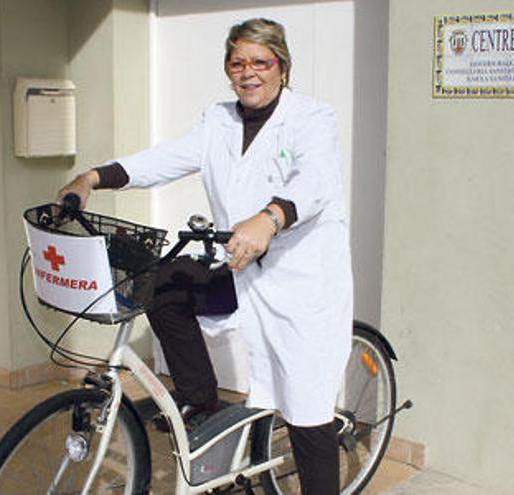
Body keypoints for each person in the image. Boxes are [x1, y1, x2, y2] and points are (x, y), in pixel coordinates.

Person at [57, 18, 352, 494]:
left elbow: (313, 182)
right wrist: (93, 177)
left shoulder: (312, 119)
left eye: (261, 62)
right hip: (241, 270)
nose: (248, 72)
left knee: (306, 409)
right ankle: (199, 403)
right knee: (165, 284)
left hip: (302, 284)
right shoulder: (219, 119)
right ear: (227, 68)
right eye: (238, 62)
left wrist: (270, 217)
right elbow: (165, 158)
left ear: (282, 67)